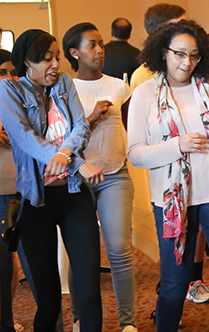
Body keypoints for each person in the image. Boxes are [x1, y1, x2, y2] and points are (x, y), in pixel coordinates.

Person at [127, 20, 209, 332]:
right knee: (174, 282)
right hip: (172, 201)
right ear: (163, 52)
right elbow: (135, 152)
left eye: (195, 55)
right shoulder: (145, 93)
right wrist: (177, 146)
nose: (187, 63)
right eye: (180, 54)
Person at [0, 29, 105, 332]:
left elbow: (81, 127)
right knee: (48, 299)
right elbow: (25, 139)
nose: (55, 65)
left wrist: (66, 156)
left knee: (88, 292)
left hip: (74, 197)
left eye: (57, 57)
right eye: (47, 59)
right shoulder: (10, 91)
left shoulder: (64, 83)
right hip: (36, 201)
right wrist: (78, 164)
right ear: (27, 62)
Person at [62, 23, 138, 332]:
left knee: (119, 249)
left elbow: (133, 128)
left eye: (101, 44)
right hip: (77, 177)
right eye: (91, 45)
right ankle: (81, 319)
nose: (99, 50)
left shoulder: (119, 86)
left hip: (115, 174)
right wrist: (91, 119)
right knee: (82, 255)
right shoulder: (65, 89)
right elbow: (60, 139)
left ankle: (128, 323)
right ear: (74, 52)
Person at [0, 49, 23, 332]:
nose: (9, 78)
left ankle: (6, 319)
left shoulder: (19, 99)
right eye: (2, 72)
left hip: (18, 187)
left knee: (13, 264)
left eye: (12, 72)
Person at [129, 3, 186, 91]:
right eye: (178, 27)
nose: (186, 31)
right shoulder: (143, 76)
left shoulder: (189, 66)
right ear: (159, 33)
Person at [102, 17, 141, 82]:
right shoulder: (137, 53)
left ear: (111, 32)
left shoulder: (101, 52)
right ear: (129, 35)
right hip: (129, 90)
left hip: (104, 90)